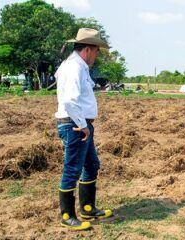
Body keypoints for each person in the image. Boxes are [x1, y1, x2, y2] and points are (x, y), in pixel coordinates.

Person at [55, 28, 112, 230]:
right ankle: (67, 216)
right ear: (88, 49)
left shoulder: (76, 66)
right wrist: (82, 125)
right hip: (75, 126)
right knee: (72, 169)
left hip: (79, 124)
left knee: (92, 165)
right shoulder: (74, 68)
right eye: (96, 51)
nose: (97, 55)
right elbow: (70, 101)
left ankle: (88, 207)